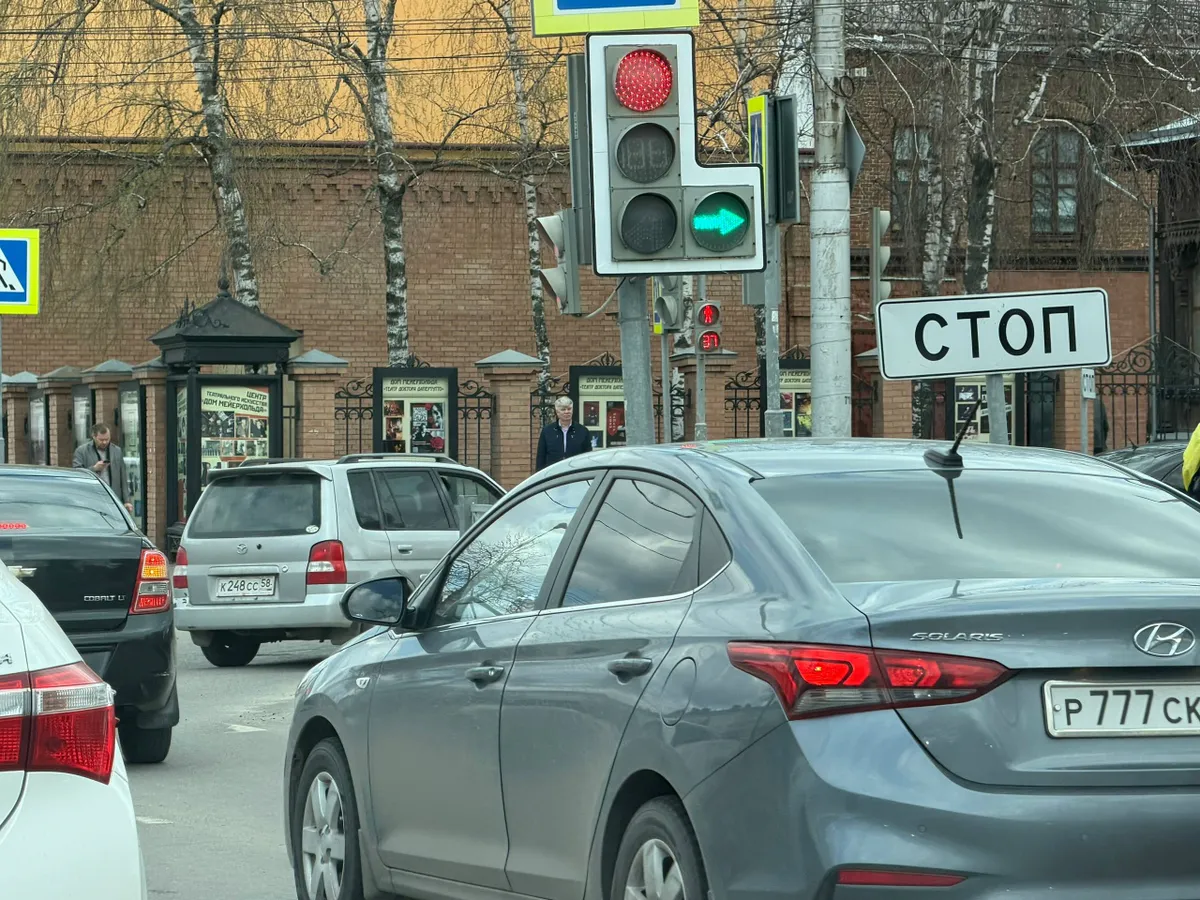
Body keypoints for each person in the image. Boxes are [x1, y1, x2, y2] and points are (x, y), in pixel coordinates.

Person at [73, 423, 134, 514]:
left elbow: (123, 477)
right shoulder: (81, 451)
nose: (104, 442)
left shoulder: (117, 451)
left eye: (107, 439)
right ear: (94, 436)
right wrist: (94, 468)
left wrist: (127, 501)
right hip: (92, 499)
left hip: (113, 498)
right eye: (101, 440)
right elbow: (77, 474)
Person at [536, 397, 592, 471]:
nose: (567, 412)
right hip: (553, 473)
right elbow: (541, 457)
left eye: (569, 409)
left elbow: (588, 456)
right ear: (557, 412)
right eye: (563, 409)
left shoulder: (582, 431)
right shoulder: (547, 431)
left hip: (576, 472)